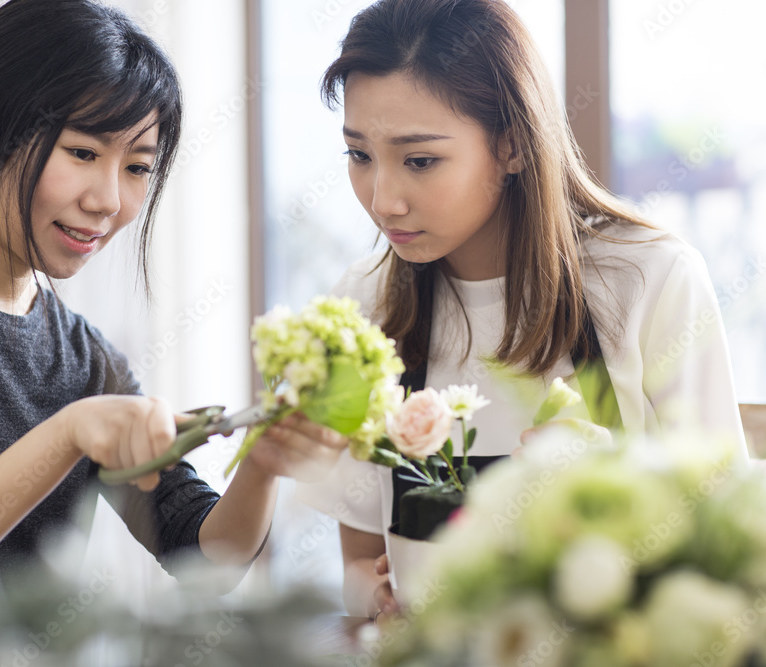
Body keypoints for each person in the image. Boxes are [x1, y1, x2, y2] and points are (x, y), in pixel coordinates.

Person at [0, 0, 347, 615]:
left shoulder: (86, 359)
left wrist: (263, 465)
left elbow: (207, 559)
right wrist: (68, 435)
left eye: (138, 167)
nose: (110, 200)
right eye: (83, 153)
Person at [295, 0, 748, 622]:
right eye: (359, 155)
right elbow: (359, 560)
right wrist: (371, 595)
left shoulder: (650, 278)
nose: (383, 199)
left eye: (420, 160)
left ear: (511, 145)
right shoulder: (365, 305)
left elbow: (727, 556)